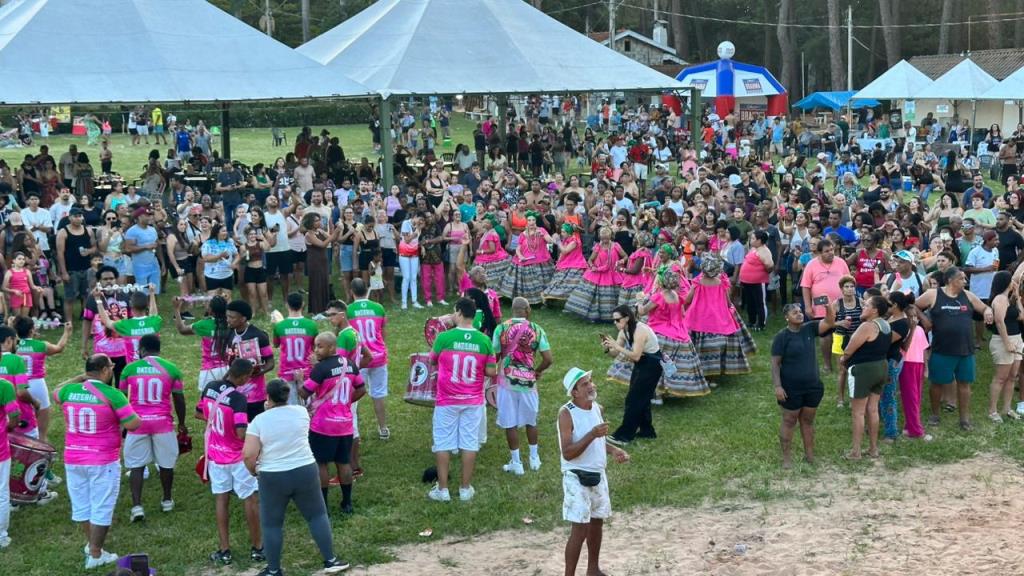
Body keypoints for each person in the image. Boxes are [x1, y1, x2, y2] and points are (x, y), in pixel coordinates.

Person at [242, 379, 352, 576]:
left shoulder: (258, 421)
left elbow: (249, 454)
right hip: (305, 470)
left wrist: (254, 471)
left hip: (273, 475)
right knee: (317, 515)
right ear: (287, 395)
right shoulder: (301, 413)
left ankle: (274, 570)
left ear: (268, 397)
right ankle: (330, 560)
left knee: (272, 524)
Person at [54, 352, 141, 570]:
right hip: (102, 458)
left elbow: (56, 391)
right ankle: (95, 554)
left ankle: (93, 545)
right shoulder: (113, 394)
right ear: (104, 370)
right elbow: (132, 424)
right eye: (110, 367)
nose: (112, 370)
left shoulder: (69, 391)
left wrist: (79, 378)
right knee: (102, 505)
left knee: (83, 505)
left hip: (73, 457)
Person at [558, 367, 629, 576]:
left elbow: (599, 441)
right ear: (574, 392)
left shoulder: (597, 408)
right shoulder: (566, 414)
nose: (591, 386)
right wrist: (592, 434)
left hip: (598, 473)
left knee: (597, 522)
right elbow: (568, 453)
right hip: (576, 476)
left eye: (590, 381)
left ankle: (593, 570)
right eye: (585, 384)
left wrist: (614, 450)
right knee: (579, 529)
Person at [427, 298, 497, 502]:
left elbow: (432, 360)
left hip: (447, 399)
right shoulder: (484, 340)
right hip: (473, 399)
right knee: (469, 442)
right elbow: (491, 371)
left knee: (443, 442)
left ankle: (443, 490)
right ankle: (465, 489)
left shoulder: (444, 337)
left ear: (458, 312)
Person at [197, 358, 264, 567]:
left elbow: (199, 413)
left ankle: (224, 550)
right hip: (236, 456)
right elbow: (241, 432)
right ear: (243, 377)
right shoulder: (238, 399)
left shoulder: (209, 387)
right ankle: (257, 548)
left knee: (221, 499)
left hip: (215, 455)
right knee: (250, 499)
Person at [915, 267, 994, 431]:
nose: (965, 281)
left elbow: (984, 307)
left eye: (965, 278)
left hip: (965, 349)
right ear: (950, 280)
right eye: (961, 278)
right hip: (942, 349)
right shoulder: (933, 294)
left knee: (964, 384)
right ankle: (935, 414)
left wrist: (988, 311)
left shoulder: (968, 295)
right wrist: (924, 319)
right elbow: (913, 306)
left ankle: (964, 419)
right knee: (937, 383)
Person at [119, 334, 186, 522]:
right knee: (166, 464)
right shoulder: (171, 368)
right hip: (162, 423)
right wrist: (181, 423)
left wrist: (124, 423)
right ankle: (167, 500)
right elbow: (179, 398)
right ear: (159, 348)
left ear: (141, 349)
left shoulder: (129, 369)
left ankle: (137, 506)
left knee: (136, 465)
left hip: (137, 423)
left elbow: (121, 399)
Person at [493, 297, 553, 476]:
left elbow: (495, 356)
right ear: (528, 310)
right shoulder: (537, 329)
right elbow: (548, 359)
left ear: (512, 310)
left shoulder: (501, 328)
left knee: (509, 423)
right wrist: (537, 371)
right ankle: (534, 459)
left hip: (506, 382)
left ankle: (516, 463)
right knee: (530, 420)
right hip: (528, 382)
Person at [772, 303, 836, 468]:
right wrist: (778, 386)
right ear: (787, 317)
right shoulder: (782, 337)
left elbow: (829, 322)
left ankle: (810, 456)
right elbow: (775, 364)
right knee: (789, 420)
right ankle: (786, 458)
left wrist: (828, 307)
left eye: (800, 311)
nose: (799, 314)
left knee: (807, 421)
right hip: (791, 388)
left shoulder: (810, 328)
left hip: (813, 386)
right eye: (795, 312)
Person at [839, 295, 892, 460]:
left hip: (863, 370)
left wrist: (843, 359)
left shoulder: (867, 326)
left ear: (875, 310)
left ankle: (856, 452)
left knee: (858, 412)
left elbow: (848, 350)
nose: (863, 306)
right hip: (881, 367)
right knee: (873, 409)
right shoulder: (886, 325)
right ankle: (873, 449)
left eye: (867, 305)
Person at [685, 256, 756, 377]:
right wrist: (730, 308)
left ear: (703, 269)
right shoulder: (720, 283)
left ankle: (698, 369)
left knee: (697, 344)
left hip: (699, 318)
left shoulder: (697, 282)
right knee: (717, 345)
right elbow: (728, 302)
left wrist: (685, 307)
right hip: (718, 319)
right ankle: (716, 371)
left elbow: (688, 299)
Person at [601, 305, 661, 445]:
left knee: (633, 400)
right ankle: (647, 431)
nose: (615, 323)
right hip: (642, 364)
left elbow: (635, 356)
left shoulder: (640, 330)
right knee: (642, 398)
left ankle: (624, 436)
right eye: (614, 320)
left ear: (627, 318)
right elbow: (615, 353)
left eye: (617, 320)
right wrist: (608, 348)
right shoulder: (624, 331)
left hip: (652, 364)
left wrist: (617, 346)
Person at [347, 278, 391, 440]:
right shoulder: (378, 308)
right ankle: (383, 428)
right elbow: (383, 332)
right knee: (378, 394)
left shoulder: (348, 311)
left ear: (351, 292)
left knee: (353, 395)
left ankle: (352, 430)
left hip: (359, 359)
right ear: (367, 290)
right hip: (378, 357)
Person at [800, 238, 850, 373]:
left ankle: (843, 364)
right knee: (825, 336)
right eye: (827, 251)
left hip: (840, 305)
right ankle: (827, 365)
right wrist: (808, 306)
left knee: (842, 334)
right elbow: (805, 287)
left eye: (832, 250)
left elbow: (849, 281)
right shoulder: (811, 265)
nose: (831, 253)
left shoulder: (841, 262)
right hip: (821, 307)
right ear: (819, 253)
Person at [225, 300, 275, 421]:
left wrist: (255, 372)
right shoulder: (230, 333)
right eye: (227, 316)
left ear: (243, 319)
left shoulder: (259, 336)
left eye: (232, 317)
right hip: (234, 392)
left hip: (255, 395)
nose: (228, 320)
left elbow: (271, 363)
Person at [83, 266, 131, 385]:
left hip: (124, 351)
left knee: (122, 385)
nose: (109, 281)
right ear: (99, 281)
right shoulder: (92, 298)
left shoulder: (125, 296)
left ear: (116, 280)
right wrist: (84, 346)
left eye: (111, 278)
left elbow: (131, 322)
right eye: (105, 279)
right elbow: (87, 322)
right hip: (102, 353)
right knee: (103, 387)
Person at [987, 268, 1024, 423]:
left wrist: (1017, 297)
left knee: (1012, 376)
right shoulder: (1000, 299)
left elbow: (1021, 316)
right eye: (1012, 280)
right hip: (1003, 340)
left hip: (1017, 338)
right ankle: (992, 410)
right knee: (1001, 377)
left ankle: (1007, 408)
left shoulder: (1010, 299)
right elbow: (999, 322)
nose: (1014, 282)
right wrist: (1007, 342)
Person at [565, 226, 625, 322]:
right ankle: (594, 315)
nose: (604, 241)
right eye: (602, 238)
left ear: (610, 236)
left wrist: (622, 260)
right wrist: (592, 266)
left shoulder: (616, 246)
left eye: (606, 238)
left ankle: (612, 316)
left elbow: (625, 256)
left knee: (612, 296)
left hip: (612, 274)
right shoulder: (598, 246)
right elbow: (590, 260)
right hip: (597, 273)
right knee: (594, 296)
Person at [174, 295, 232, 391]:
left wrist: (176, 309)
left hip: (209, 371)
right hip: (228, 369)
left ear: (211, 311)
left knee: (206, 399)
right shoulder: (231, 323)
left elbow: (182, 329)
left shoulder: (204, 324)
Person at [91, 286, 160, 364]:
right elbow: (154, 314)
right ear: (147, 306)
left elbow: (106, 322)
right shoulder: (154, 321)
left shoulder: (126, 325)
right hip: (153, 366)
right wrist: (152, 293)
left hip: (133, 367)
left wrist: (98, 300)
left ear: (131, 306)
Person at [272, 293, 318, 404]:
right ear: (303, 304)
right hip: (306, 371)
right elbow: (315, 346)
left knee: (291, 407)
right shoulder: (312, 325)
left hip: (286, 372)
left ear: (287, 305)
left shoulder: (279, 326)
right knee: (308, 407)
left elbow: (276, 344)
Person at [499, 212, 554, 305]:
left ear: (535, 221)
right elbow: (518, 248)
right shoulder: (523, 234)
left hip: (540, 259)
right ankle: (525, 300)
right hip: (525, 259)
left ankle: (543, 300)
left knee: (540, 281)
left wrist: (543, 235)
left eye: (533, 220)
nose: (531, 222)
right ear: (526, 222)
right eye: (529, 220)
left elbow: (550, 240)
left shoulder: (541, 230)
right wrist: (521, 256)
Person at [0, 345, 18, 549]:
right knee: (1, 492)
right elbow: (14, 416)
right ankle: (0, 536)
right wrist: (7, 428)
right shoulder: (4, 386)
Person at [122, 206, 162, 293]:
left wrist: (162, 263)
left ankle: (153, 301)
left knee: (155, 288)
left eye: (149, 215)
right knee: (142, 290)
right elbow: (128, 248)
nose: (149, 217)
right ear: (139, 217)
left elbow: (158, 246)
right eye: (146, 215)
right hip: (140, 265)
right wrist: (145, 247)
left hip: (153, 263)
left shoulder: (152, 229)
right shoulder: (132, 231)